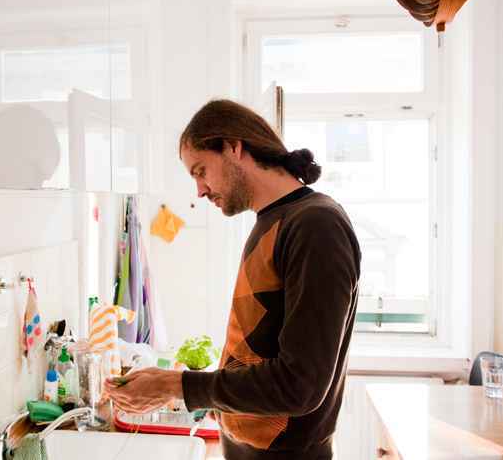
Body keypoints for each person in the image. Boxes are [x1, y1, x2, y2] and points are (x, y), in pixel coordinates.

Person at [105, 99, 361, 460]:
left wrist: (176, 385)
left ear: (233, 147)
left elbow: (299, 386)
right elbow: (258, 355)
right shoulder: (274, 221)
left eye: (200, 170)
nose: (199, 190)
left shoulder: (316, 225)